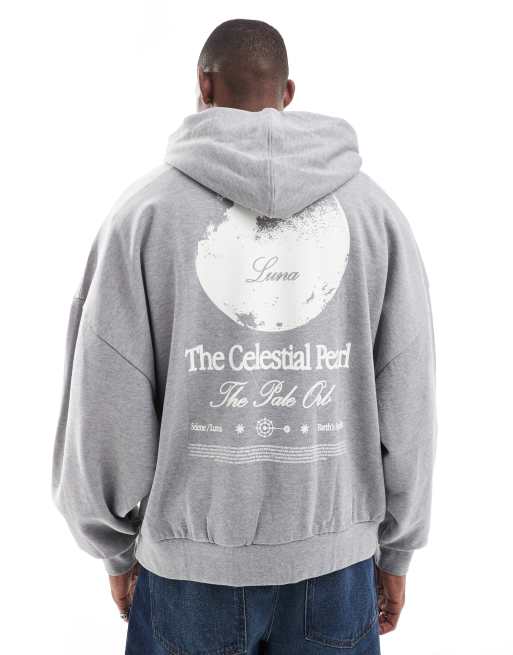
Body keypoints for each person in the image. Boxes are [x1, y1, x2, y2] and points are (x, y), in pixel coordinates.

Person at [52, 18, 436, 655]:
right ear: (287, 94)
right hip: (336, 567)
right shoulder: (376, 215)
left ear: (203, 86)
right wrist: (398, 550)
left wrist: (114, 549)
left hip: (188, 576)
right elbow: (409, 395)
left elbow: (105, 401)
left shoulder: (142, 217)